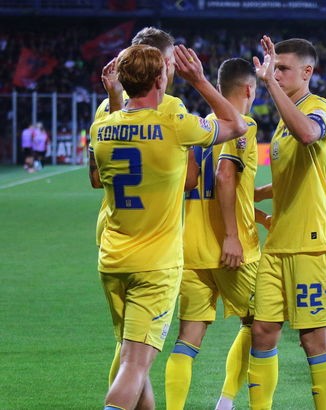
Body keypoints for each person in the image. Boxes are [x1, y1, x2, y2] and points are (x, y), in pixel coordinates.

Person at [92, 44, 247, 410]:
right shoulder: (173, 123)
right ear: (160, 79)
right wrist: (200, 81)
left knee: (136, 360)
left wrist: (114, 97)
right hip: (155, 266)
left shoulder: (101, 128)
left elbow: (95, 178)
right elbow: (237, 125)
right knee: (135, 364)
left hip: (113, 260)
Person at [88, 27, 191, 387]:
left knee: (128, 347)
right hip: (153, 244)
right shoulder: (172, 110)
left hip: (113, 234)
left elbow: (95, 178)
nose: (173, 68)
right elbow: (190, 180)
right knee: (135, 355)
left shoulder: (106, 108)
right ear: (160, 65)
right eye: (171, 61)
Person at [248, 36, 326, 410]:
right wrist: (255, 194)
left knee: (313, 338)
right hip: (278, 242)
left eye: (283, 68)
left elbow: (308, 134)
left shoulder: (320, 109)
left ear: (307, 72)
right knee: (262, 330)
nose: (276, 74)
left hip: (312, 243)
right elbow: (295, 175)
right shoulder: (283, 120)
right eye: (274, 68)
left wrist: (269, 84)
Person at [163, 58, 262, 410]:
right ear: (249, 89)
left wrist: (258, 210)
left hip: (191, 247)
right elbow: (224, 176)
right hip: (233, 249)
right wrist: (232, 236)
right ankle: (226, 401)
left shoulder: (198, 129)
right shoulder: (244, 126)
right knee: (259, 324)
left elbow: (194, 183)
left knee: (188, 338)